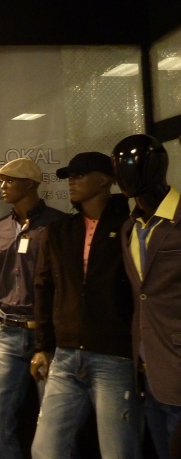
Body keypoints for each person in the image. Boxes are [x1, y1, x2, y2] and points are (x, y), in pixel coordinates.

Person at [30, 152, 139, 458]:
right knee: (45, 450)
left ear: (104, 179)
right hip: (66, 355)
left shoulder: (129, 228)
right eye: (70, 176)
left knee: (118, 451)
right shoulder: (59, 232)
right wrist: (43, 345)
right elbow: (44, 288)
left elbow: (141, 292)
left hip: (113, 357)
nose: (72, 182)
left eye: (80, 175)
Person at [0, 157, 66, 459]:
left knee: (52, 427)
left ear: (29, 184)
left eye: (10, 180)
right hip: (9, 331)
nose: (3, 186)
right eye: (2, 181)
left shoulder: (57, 225)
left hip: (48, 333)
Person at [113, 134, 181, 459]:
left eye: (132, 166)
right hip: (145, 370)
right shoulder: (129, 228)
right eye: (120, 168)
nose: (125, 175)